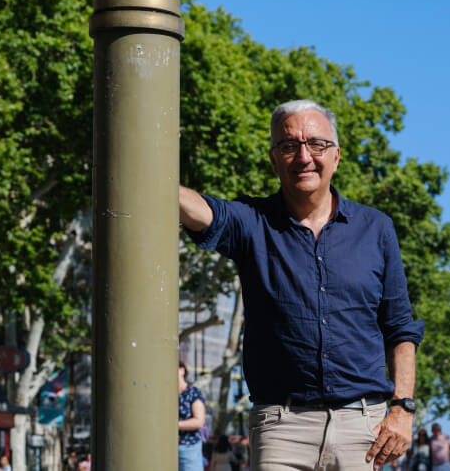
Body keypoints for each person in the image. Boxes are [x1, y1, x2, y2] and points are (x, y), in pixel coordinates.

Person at [179, 99, 424, 470]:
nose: (304, 156)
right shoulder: (253, 222)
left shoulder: (376, 228)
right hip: (282, 428)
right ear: (274, 159)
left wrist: (402, 408)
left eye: (317, 144)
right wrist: (146, 167)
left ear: (337, 156)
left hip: (364, 428)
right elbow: (203, 213)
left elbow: (400, 328)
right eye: (289, 146)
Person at [178, 361, 206, 471]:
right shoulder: (165, 393)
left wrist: (173, 425)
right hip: (166, 447)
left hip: (189, 448)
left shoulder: (192, 392)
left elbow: (199, 421)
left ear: (182, 370)